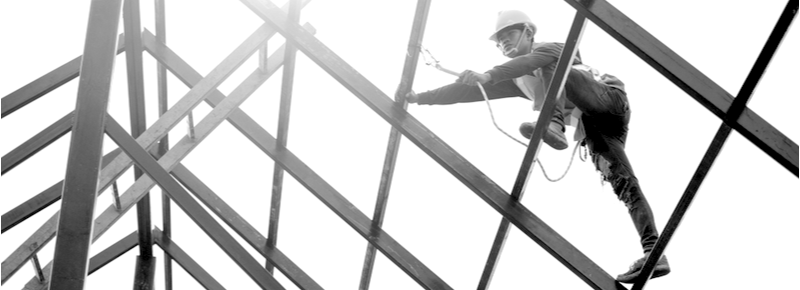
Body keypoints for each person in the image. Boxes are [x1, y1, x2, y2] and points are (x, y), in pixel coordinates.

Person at [405, 10, 670, 283]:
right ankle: (654, 251)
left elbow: (534, 61)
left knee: (549, 67)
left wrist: (488, 75)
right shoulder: (520, 80)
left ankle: (552, 123)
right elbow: (466, 92)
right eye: (499, 41)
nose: (503, 43)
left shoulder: (555, 49)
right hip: (594, 126)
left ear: (529, 33)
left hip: (609, 101)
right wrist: (420, 97)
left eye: (508, 35)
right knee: (623, 183)